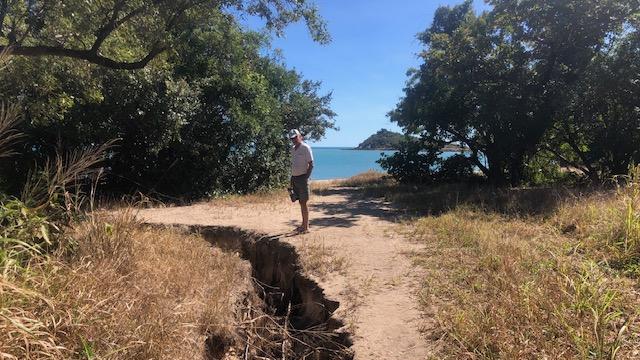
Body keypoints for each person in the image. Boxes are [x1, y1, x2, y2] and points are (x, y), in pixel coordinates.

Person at [289, 129, 313, 233]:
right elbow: (294, 164)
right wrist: (291, 179)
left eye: (295, 137)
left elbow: (311, 164)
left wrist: (306, 177)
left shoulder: (305, 148)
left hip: (302, 178)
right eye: (292, 138)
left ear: (300, 136)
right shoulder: (293, 149)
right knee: (299, 202)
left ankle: (305, 227)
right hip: (294, 178)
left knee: (303, 202)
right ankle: (304, 225)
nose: (294, 140)